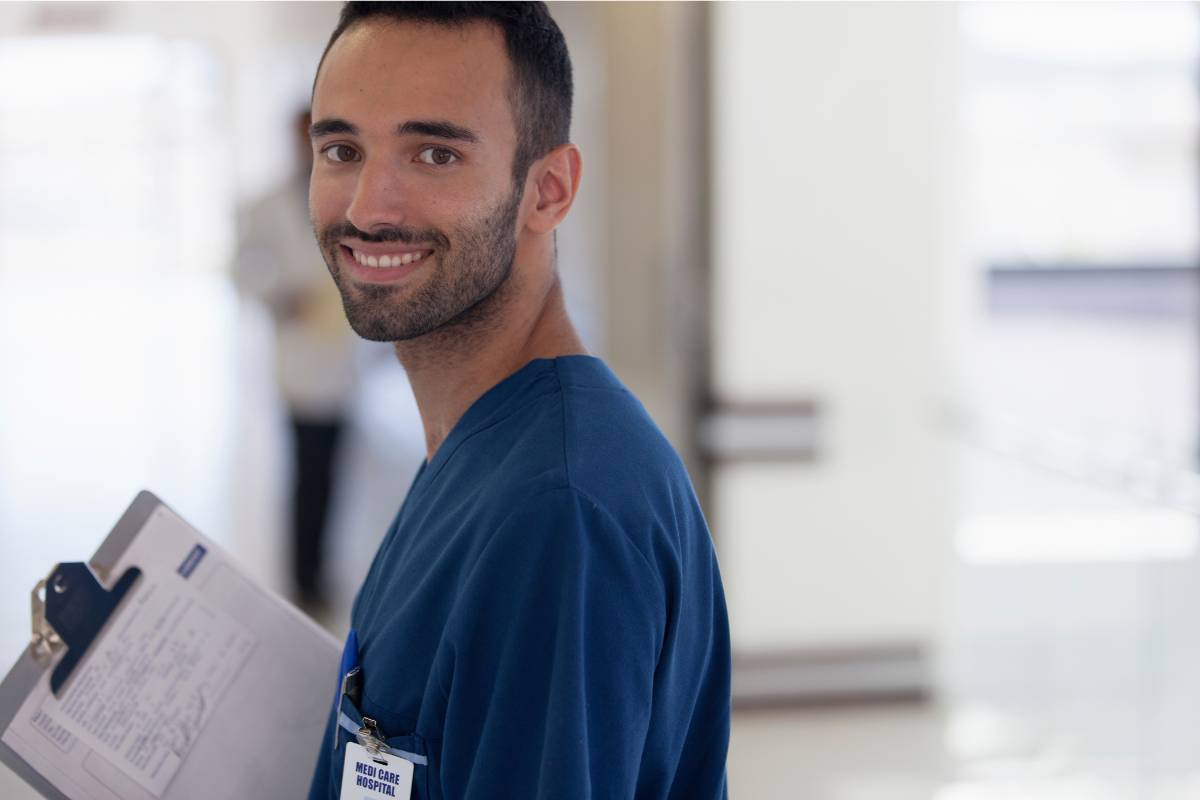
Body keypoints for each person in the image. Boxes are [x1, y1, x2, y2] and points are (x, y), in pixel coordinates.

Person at [305, 3, 730, 798]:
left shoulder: (557, 512)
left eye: (433, 153)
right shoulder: (479, 447)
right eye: (342, 149)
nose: (368, 208)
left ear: (549, 190)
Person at [235, 109, 358, 612]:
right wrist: (279, 297)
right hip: (298, 354)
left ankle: (318, 571)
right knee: (306, 470)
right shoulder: (265, 205)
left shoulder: (352, 198)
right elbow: (241, 269)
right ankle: (303, 576)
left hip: (342, 355)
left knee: (330, 471)